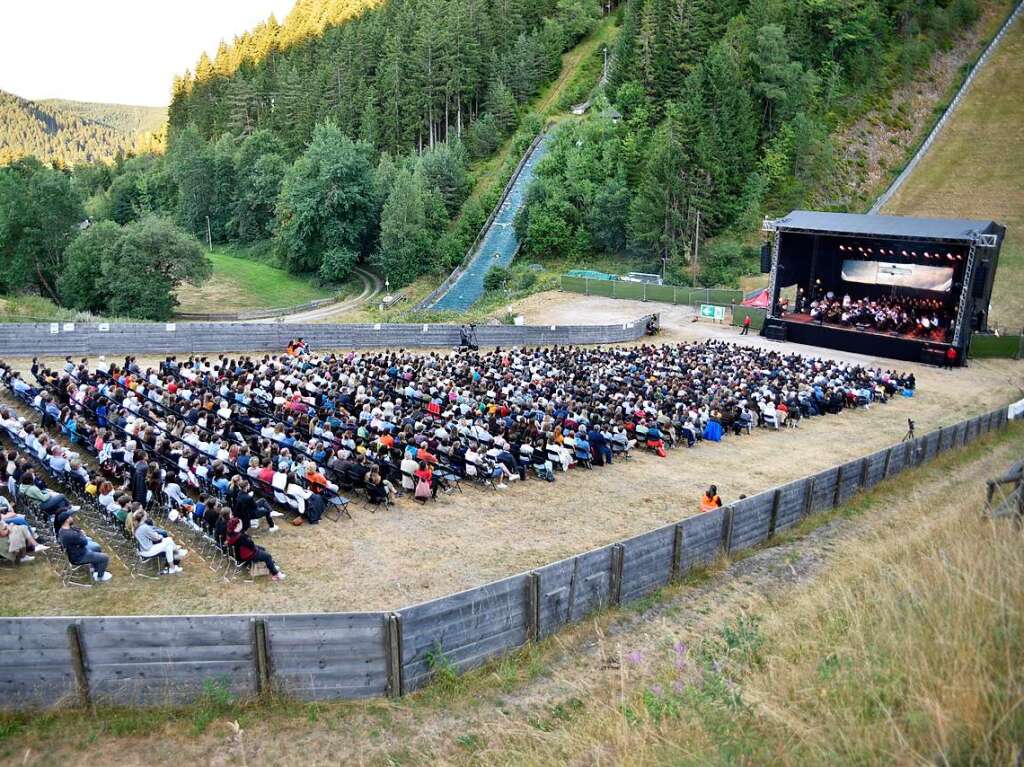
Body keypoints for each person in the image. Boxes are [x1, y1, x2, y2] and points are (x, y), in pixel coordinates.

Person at [57, 509, 111, 581]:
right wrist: (82, 534)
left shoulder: (62, 530)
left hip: (76, 551)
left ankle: (96, 569)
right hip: (79, 556)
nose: (72, 517)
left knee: (97, 548)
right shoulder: (71, 534)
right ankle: (99, 577)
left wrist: (80, 534)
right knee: (105, 557)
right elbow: (84, 542)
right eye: (70, 517)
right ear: (67, 520)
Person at [131, 508, 187, 574]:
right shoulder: (144, 527)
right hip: (148, 550)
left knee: (168, 544)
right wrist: (160, 536)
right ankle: (177, 552)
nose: (147, 515)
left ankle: (172, 567)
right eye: (145, 514)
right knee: (169, 542)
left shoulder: (136, 526)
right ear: (143, 517)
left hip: (143, 549)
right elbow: (156, 538)